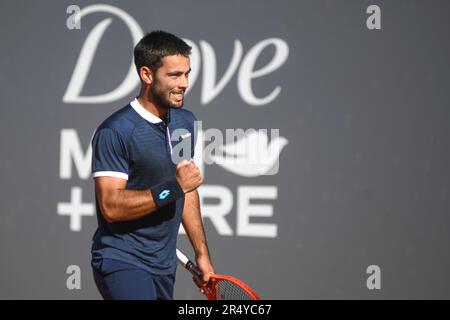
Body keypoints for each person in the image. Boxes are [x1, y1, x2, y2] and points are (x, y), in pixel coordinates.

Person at [90, 30, 214, 300]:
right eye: (174, 75)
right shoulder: (115, 131)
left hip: (164, 265)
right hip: (122, 260)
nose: (184, 83)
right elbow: (111, 207)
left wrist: (202, 253)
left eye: (187, 74)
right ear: (147, 75)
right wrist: (174, 187)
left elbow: (187, 189)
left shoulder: (185, 122)